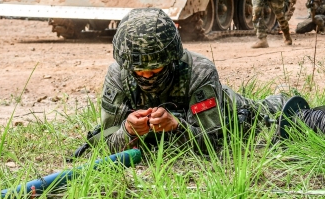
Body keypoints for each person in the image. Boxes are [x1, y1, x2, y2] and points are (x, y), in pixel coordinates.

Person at [96, 8, 285, 154]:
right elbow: (105, 142)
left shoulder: (199, 71)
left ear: (172, 59)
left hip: (226, 106)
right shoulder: (118, 75)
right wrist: (128, 130)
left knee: (262, 111)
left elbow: (214, 142)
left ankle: (280, 97)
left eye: (155, 69)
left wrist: (177, 127)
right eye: (138, 71)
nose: (146, 76)